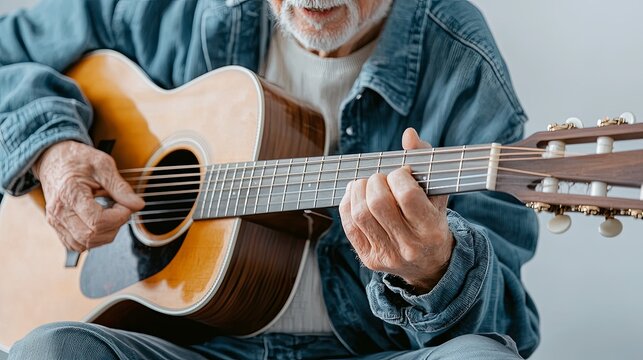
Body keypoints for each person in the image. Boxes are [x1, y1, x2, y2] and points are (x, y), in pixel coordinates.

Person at [0, 0, 540, 359]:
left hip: (373, 353)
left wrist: (434, 271)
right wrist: (51, 149)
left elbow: (508, 322)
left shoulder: (461, 60)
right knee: (48, 351)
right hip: (186, 348)